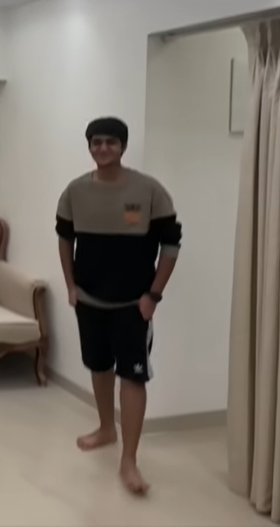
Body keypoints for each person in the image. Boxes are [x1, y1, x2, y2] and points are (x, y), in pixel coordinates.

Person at [55, 117, 183, 496]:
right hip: (89, 299)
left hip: (133, 304)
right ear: (89, 147)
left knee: (132, 376)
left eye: (111, 142)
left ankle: (129, 460)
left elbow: (171, 246)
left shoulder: (149, 191)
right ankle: (106, 428)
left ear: (123, 147)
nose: (103, 148)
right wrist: (71, 286)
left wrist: (153, 295)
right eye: (96, 142)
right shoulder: (75, 191)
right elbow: (65, 240)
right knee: (99, 366)